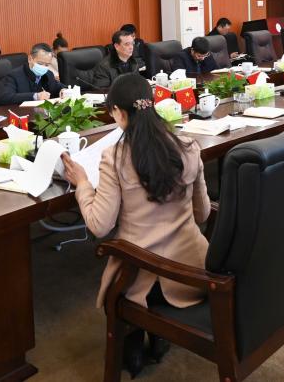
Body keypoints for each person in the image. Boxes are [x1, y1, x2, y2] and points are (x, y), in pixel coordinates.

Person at [60, 73, 209, 377]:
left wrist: (83, 184)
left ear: (119, 112)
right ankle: (156, 340)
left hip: (141, 275)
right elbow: (203, 213)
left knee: (126, 284)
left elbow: (99, 226)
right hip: (193, 269)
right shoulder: (188, 146)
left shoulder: (115, 156)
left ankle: (133, 347)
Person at [1, 43, 66, 104]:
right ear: (30, 59)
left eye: (47, 65)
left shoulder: (48, 74)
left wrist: (64, 90)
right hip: (22, 111)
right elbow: (6, 97)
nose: (43, 67)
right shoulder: (14, 75)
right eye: (40, 63)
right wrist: (35, 96)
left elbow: (58, 87)